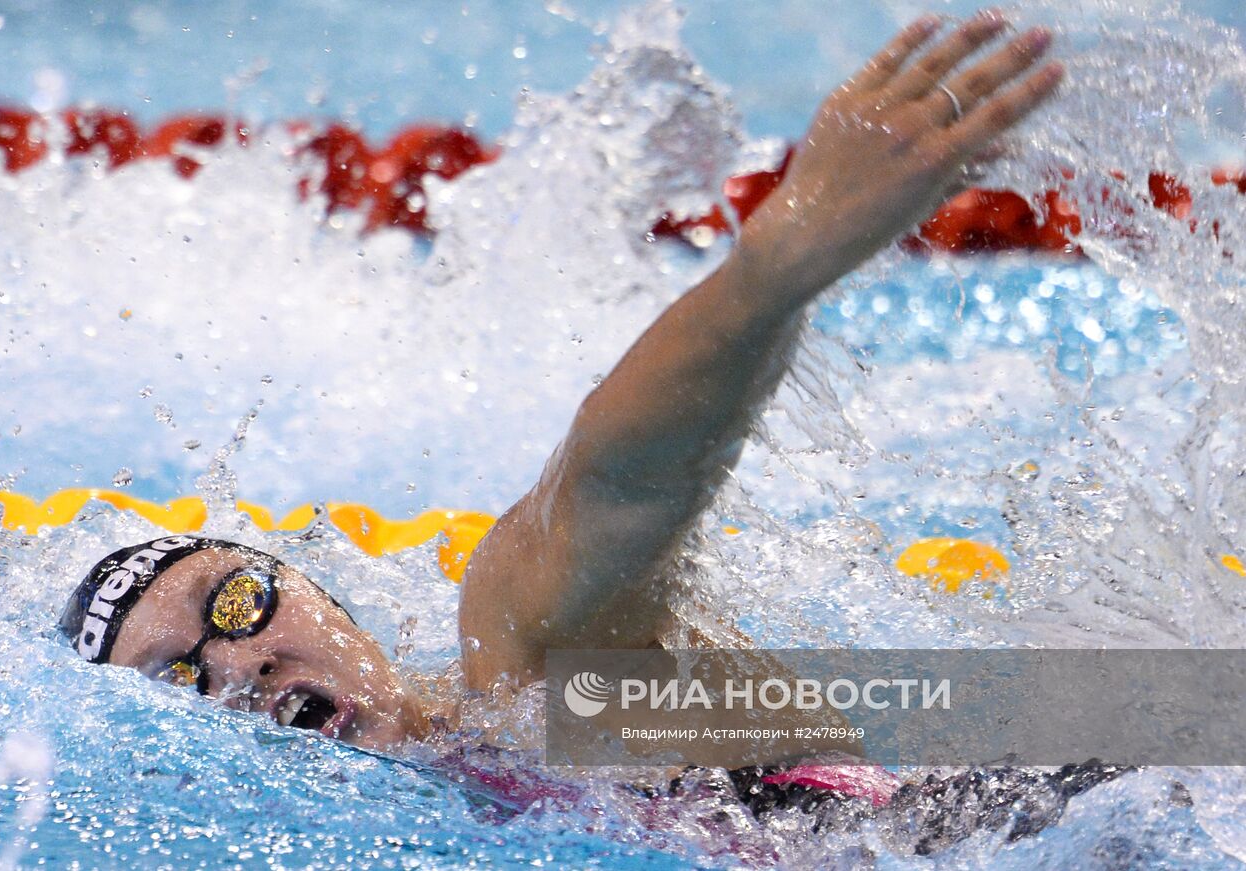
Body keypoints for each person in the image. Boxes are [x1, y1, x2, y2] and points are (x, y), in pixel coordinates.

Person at [59, 5, 1073, 817]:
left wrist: (777, 262)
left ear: (320, 593)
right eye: (177, 682)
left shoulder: (520, 677)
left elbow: (619, 482)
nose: (236, 662)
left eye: (235, 603)